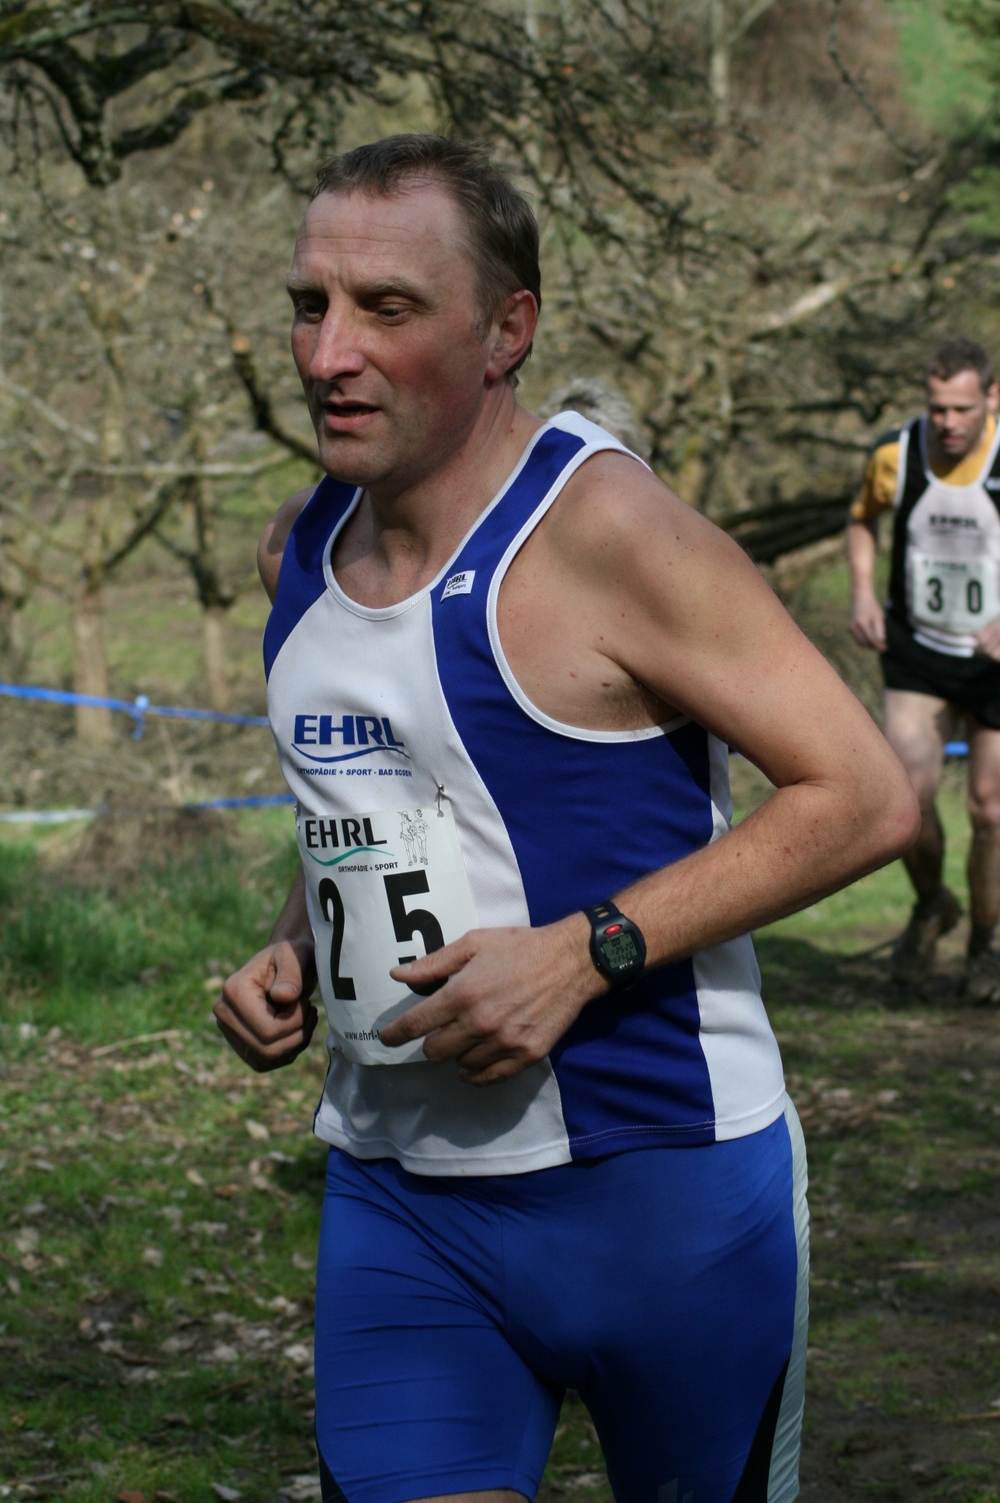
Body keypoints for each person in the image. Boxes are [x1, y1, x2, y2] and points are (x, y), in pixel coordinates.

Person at [215, 134, 917, 1503]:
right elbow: (372, 796)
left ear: (506, 330)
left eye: (387, 308)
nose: (328, 354)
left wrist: (586, 951)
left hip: (665, 1192)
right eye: (310, 304)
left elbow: (866, 793)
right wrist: (295, 944)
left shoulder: (610, 531)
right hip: (402, 1199)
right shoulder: (296, 546)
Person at [848, 337, 1000, 999]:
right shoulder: (896, 453)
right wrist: (861, 592)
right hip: (919, 649)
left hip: (994, 663)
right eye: (938, 407)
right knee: (905, 799)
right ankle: (933, 903)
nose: (948, 422)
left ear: (992, 397)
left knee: (991, 812)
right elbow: (862, 520)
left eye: (963, 408)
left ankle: (985, 946)